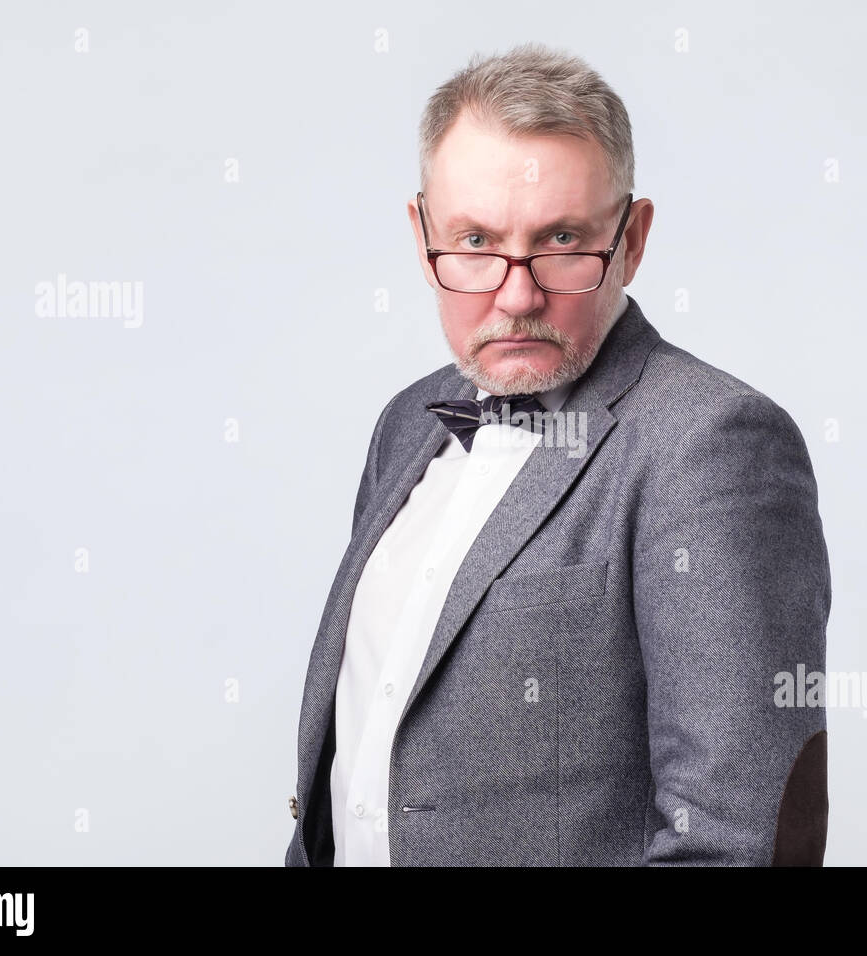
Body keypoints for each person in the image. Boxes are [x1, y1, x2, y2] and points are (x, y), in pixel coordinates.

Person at [286, 42, 831, 866]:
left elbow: (741, 836)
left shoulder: (712, 445)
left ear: (633, 239)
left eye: (562, 241)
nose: (515, 295)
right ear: (421, 232)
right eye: (473, 241)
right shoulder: (405, 424)